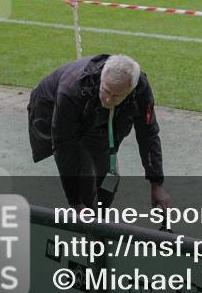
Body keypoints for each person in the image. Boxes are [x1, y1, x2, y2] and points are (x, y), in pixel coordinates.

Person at [28, 53, 171, 212]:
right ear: (102, 80)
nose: (109, 100)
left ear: (130, 91)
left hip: (97, 117)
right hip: (57, 109)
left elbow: (148, 133)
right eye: (106, 90)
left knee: (110, 179)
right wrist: (75, 202)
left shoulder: (140, 89)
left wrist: (156, 184)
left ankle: (99, 217)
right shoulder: (71, 91)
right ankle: (87, 220)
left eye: (116, 95)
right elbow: (64, 148)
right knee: (84, 186)